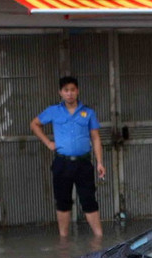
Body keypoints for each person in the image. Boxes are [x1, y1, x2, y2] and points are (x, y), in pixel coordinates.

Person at [30, 76, 105, 238]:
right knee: (63, 202)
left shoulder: (88, 112)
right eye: (66, 90)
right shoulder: (53, 111)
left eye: (72, 90)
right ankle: (63, 241)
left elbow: (95, 138)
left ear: (77, 91)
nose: (69, 94)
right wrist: (48, 143)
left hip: (83, 163)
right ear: (60, 92)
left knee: (89, 200)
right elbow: (34, 124)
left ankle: (99, 238)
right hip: (62, 163)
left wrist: (100, 162)